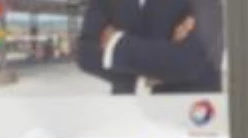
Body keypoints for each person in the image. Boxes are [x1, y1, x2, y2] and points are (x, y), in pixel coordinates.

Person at [77, 0, 222, 94]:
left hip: (187, 115)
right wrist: (159, 68)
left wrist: (116, 44)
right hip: (128, 116)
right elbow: (85, 54)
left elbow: (189, 61)